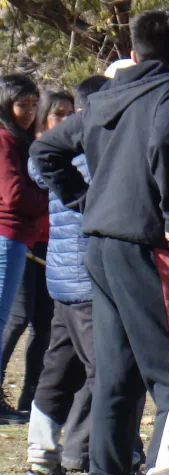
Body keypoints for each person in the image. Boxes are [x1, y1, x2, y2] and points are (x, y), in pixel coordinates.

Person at [32, 9, 169, 475]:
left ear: (133, 53)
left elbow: (45, 152)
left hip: (100, 247)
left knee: (117, 373)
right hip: (146, 246)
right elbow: (165, 146)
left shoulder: (105, 97)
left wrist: (86, 201)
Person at [20, 77, 105, 475]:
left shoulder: (58, 152)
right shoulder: (98, 149)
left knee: (58, 371)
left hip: (62, 279)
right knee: (105, 371)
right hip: (92, 280)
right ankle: (94, 455)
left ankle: (41, 460)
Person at [0, 89, 70, 422]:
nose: (65, 120)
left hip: (49, 242)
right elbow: (15, 194)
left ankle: (32, 397)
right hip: (22, 240)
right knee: (16, 317)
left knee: (44, 321)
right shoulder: (28, 145)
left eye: (70, 113)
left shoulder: (55, 145)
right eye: (58, 113)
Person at [0, 74, 43, 425]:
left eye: (33, 105)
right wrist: (51, 199)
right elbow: (13, 195)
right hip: (7, 233)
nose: (28, 112)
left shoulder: (21, 139)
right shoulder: (4, 139)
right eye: (22, 105)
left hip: (19, 236)